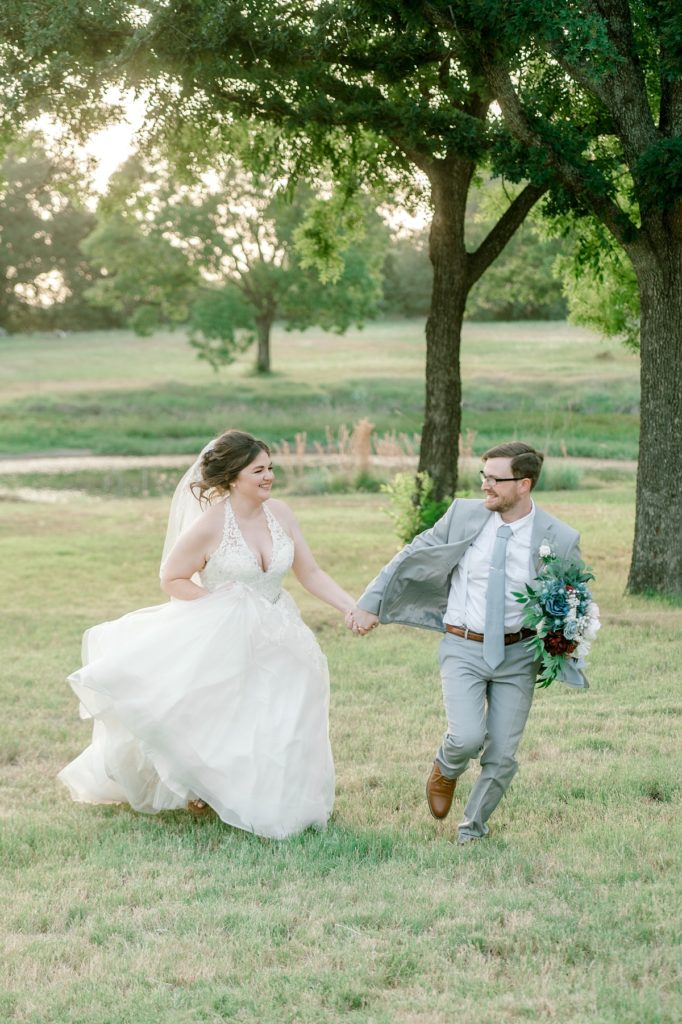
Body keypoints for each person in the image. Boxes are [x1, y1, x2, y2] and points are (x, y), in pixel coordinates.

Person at [58, 429, 358, 839]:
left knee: (284, 716)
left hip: (280, 629)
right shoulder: (210, 525)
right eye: (259, 470)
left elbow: (311, 572)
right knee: (230, 720)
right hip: (229, 633)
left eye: (271, 468)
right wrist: (219, 609)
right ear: (233, 476)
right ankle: (213, 790)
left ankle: (281, 797)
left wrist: (350, 607)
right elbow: (172, 577)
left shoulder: (283, 515)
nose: (269, 476)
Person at [347, 441, 587, 844]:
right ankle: (446, 767)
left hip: (517, 655)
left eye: (495, 479)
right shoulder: (464, 515)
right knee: (467, 736)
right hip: (463, 645)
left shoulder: (558, 537)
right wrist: (371, 601)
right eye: (483, 476)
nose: (485, 485)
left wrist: (565, 642)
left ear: (524, 484)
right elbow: (414, 551)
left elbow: (573, 597)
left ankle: (472, 828)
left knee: (503, 754)